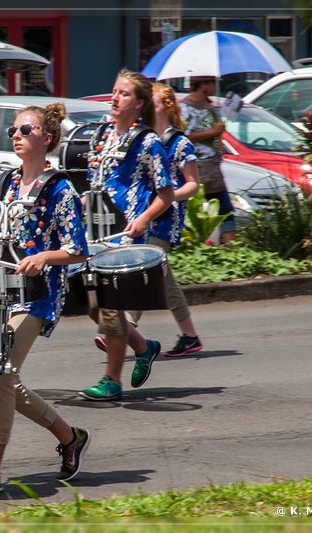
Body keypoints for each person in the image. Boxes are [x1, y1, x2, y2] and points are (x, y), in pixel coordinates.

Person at [0, 103, 90, 495]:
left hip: (37, 297)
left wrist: (43, 256)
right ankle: (70, 436)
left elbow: (77, 250)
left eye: (25, 130)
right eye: (14, 130)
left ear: (46, 138)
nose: (16, 135)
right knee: (4, 378)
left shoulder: (60, 189)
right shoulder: (6, 184)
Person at [78, 69, 174, 402]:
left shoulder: (148, 142)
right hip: (95, 232)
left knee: (109, 308)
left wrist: (144, 220)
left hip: (125, 236)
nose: (115, 97)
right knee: (92, 305)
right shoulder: (101, 136)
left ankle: (111, 379)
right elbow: (94, 183)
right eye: (114, 91)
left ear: (139, 103)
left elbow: (167, 194)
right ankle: (144, 347)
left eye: (124, 93)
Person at [94, 83, 203, 359]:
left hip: (164, 219)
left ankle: (123, 327)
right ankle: (189, 335)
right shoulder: (139, 138)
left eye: (151, 102)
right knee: (161, 278)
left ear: (163, 106)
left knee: (138, 272)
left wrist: (165, 197)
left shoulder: (177, 142)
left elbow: (193, 184)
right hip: (143, 218)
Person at [179, 75, 236, 244]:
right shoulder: (186, 108)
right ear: (202, 84)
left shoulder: (211, 107)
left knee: (225, 210)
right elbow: (184, 136)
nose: (214, 87)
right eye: (211, 83)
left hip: (212, 166)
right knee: (193, 212)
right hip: (196, 166)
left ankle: (231, 248)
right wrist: (212, 132)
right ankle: (190, 246)